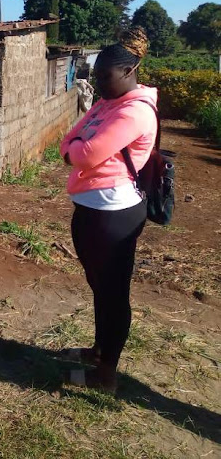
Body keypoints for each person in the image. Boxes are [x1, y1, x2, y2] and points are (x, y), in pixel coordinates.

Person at [59, 28, 157, 393]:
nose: (98, 83)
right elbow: (68, 140)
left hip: (114, 216)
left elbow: (83, 153)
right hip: (89, 209)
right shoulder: (106, 103)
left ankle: (107, 374)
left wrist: (75, 148)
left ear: (130, 71)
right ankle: (99, 350)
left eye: (105, 76)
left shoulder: (134, 111)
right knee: (99, 285)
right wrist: (74, 147)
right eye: (96, 75)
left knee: (113, 293)